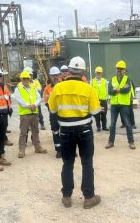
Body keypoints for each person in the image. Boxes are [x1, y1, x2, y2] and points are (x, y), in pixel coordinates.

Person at [48, 56, 101, 209]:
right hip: (84, 130)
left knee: (67, 164)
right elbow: (95, 111)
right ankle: (89, 197)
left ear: (69, 70)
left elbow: (52, 109)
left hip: (64, 131)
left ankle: (66, 197)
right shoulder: (88, 88)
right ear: (83, 71)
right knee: (87, 163)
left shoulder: (58, 88)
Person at [13, 71, 47, 158]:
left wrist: (34, 105)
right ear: (21, 79)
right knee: (23, 133)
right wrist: (28, 106)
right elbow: (19, 99)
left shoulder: (33, 88)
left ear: (29, 79)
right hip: (25, 114)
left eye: (27, 78)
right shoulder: (18, 89)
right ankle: (21, 150)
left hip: (34, 113)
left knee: (35, 131)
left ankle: (37, 147)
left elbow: (39, 98)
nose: (26, 80)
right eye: (24, 78)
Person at [105, 60, 136, 150]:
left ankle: (131, 142)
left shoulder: (127, 79)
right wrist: (120, 89)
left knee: (127, 124)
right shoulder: (112, 79)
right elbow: (110, 91)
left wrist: (117, 90)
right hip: (114, 105)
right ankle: (111, 142)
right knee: (112, 124)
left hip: (124, 105)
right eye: (118, 69)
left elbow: (127, 89)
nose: (119, 70)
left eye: (121, 69)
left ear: (124, 70)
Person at [44, 66, 63, 158]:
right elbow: (46, 102)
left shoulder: (64, 86)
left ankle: (68, 149)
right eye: (53, 75)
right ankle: (58, 150)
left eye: (57, 75)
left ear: (60, 75)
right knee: (55, 131)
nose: (55, 77)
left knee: (66, 131)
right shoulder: (47, 88)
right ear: (50, 76)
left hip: (64, 113)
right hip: (53, 114)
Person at [91, 66, 109, 132]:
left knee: (104, 114)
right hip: (96, 101)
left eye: (99, 73)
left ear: (101, 73)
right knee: (97, 114)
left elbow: (107, 90)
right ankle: (98, 127)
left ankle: (104, 127)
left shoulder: (105, 81)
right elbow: (91, 91)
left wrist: (108, 98)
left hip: (103, 100)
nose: (98, 74)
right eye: (97, 73)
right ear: (95, 73)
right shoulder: (92, 82)